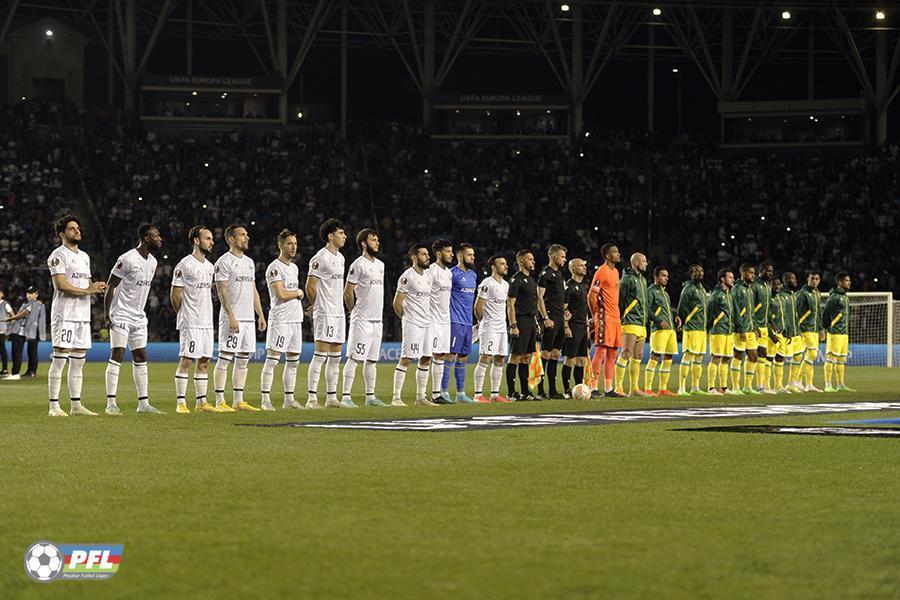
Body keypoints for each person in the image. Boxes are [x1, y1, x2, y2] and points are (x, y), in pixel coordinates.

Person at [46, 214, 107, 416]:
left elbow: (86, 285)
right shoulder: (57, 255)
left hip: (82, 314)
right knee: (60, 359)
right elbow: (60, 284)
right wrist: (87, 291)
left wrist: (95, 287)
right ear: (62, 234)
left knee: (79, 360)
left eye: (78, 227)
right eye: (72, 228)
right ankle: (54, 407)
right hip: (65, 314)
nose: (77, 230)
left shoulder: (84, 256)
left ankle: (76, 406)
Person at [103, 223, 165, 415]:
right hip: (121, 313)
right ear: (146, 238)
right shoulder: (127, 259)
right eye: (157, 236)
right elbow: (110, 286)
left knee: (141, 356)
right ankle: (111, 404)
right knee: (117, 354)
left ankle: (143, 404)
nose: (160, 239)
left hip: (138, 316)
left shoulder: (153, 262)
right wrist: (107, 314)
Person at [213, 224, 266, 412]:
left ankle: (238, 400)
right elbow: (222, 290)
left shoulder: (249, 262)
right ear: (231, 239)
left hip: (248, 319)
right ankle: (220, 401)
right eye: (242, 235)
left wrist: (260, 314)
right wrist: (231, 316)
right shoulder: (224, 261)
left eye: (247, 234)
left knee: (243, 359)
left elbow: (253, 290)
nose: (247, 237)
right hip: (232, 318)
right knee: (225, 358)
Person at [171, 226, 220, 413]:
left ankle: (201, 403)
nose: (212, 242)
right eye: (208, 238)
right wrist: (184, 314)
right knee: (186, 360)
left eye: (211, 238)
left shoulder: (209, 267)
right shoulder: (184, 265)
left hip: (206, 321)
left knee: (204, 361)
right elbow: (175, 294)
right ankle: (181, 403)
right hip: (191, 321)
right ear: (196, 241)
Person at [341, 228, 388, 407]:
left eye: (377, 239)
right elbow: (348, 291)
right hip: (362, 319)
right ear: (364, 243)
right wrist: (353, 311)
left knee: (372, 361)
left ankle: (370, 397)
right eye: (373, 240)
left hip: (377, 319)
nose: (377, 242)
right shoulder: (358, 265)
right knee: (355, 358)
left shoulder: (381, 265)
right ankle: (346, 397)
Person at [260, 229, 306, 411]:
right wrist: (298, 292)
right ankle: (265, 400)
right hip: (280, 320)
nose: (293, 247)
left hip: (295, 319)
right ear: (280, 245)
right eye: (289, 244)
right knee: (272, 360)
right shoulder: (274, 268)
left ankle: (289, 400)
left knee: (293, 361)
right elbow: (281, 294)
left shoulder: (294, 268)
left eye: (295, 243)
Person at [305, 218, 347, 409]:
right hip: (325, 312)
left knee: (336, 357)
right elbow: (310, 286)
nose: (344, 236)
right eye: (341, 233)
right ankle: (312, 399)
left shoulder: (341, 258)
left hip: (338, 312)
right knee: (320, 355)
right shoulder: (320, 258)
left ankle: (331, 398)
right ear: (331, 236)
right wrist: (317, 306)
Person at [392, 244, 436, 406]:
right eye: (424, 254)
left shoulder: (428, 276)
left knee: (426, 358)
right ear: (414, 258)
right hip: (413, 323)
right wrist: (407, 319)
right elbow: (397, 303)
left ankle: (421, 397)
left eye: (427, 254)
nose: (428, 257)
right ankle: (396, 398)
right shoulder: (407, 276)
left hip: (427, 323)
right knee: (406, 358)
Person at [442, 243, 477, 403]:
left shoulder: (473, 275)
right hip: (454, 321)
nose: (473, 257)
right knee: (449, 356)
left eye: (473, 255)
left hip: (468, 322)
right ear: (460, 256)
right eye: (470, 255)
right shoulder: (452, 274)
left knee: (463, 357)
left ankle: (460, 394)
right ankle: (443, 392)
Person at [473, 256, 511, 403]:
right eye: (502, 264)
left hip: (501, 327)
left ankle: (495, 394)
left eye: (505, 263)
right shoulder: (487, 283)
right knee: (485, 357)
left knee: (500, 358)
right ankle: (478, 395)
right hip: (489, 326)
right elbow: (478, 306)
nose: (506, 266)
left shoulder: (506, 285)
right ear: (493, 267)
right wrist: (482, 322)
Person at [588, 243, 622, 397]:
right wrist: (596, 314)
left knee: (613, 353)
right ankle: (593, 387)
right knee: (601, 350)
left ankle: (609, 389)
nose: (618, 254)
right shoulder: (601, 272)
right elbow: (591, 295)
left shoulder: (615, 272)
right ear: (608, 256)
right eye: (615, 252)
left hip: (615, 316)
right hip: (604, 316)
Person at [614, 252, 649, 396]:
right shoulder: (627, 279)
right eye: (644, 261)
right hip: (630, 320)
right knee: (626, 352)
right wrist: (621, 317)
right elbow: (620, 300)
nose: (646, 263)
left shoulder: (643, 280)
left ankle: (634, 388)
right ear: (635, 262)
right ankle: (618, 387)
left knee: (638, 355)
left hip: (641, 322)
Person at [507, 249, 539, 401]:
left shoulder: (531, 280)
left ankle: (526, 392)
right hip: (520, 320)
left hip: (531, 321)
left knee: (526, 358)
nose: (533, 262)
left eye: (533, 259)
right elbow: (510, 304)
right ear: (521, 261)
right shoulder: (516, 279)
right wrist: (513, 325)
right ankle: (511, 393)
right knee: (515, 357)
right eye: (530, 259)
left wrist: (536, 322)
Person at [537, 244, 567, 399]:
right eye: (562, 257)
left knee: (555, 354)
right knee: (546, 353)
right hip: (550, 317)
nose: (564, 259)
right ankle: (540, 391)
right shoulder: (546, 274)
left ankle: (553, 391)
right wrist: (545, 318)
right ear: (554, 257)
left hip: (560, 318)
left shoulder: (559, 274)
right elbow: (539, 297)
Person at [427, 239, 455, 404]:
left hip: (445, 320)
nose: (451, 254)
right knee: (430, 355)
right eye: (448, 251)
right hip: (433, 320)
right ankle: (424, 395)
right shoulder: (432, 271)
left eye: (451, 251)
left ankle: (437, 394)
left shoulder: (449, 273)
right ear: (439, 253)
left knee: (441, 356)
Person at [645, 266, 680, 396]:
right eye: (663, 275)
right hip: (658, 329)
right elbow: (646, 309)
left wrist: (675, 316)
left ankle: (662, 389)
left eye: (667, 276)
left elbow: (666, 310)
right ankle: (648, 389)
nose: (666, 278)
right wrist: (658, 321)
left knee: (668, 357)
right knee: (655, 356)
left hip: (670, 329)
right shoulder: (650, 291)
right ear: (656, 277)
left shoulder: (665, 293)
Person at [676, 264, 708, 395]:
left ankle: (695, 387)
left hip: (701, 327)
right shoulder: (688, 288)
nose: (699, 273)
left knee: (699, 357)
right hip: (692, 326)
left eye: (701, 271)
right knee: (688, 355)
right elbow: (682, 306)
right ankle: (681, 388)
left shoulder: (702, 289)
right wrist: (684, 321)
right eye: (696, 271)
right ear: (691, 274)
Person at [560, 258, 589, 397]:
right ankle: (566, 390)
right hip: (572, 326)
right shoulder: (569, 286)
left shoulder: (583, 286)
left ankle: (579, 388)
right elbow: (563, 309)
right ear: (572, 268)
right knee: (570, 359)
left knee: (581, 360)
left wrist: (587, 326)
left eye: (584, 265)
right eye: (581, 265)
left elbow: (584, 308)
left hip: (582, 327)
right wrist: (566, 327)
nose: (584, 267)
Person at [822, 271, 854, 392]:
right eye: (847, 281)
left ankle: (841, 385)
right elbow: (825, 314)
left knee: (841, 360)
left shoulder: (844, 296)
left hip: (844, 333)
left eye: (849, 280)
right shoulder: (834, 297)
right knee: (831, 358)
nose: (849, 282)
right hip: (835, 332)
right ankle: (828, 385)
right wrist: (825, 329)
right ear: (840, 283)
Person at [731, 264, 760, 395]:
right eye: (750, 273)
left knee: (753, 357)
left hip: (750, 328)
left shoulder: (749, 289)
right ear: (743, 273)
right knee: (738, 356)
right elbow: (735, 311)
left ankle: (747, 386)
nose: (753, 275)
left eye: (753, 273)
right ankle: (735, 387)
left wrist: (755, 327)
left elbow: (751, 311)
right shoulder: (736, 288)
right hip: (740, 329)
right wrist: (741, 329)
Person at [5, 287, 47, 378]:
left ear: (36, 294)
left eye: (31, 293)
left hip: (30, 331)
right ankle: (31, 371)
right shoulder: (37, 305)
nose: (29, 295)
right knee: (31, 352)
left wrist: (8, 319)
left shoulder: (34, 304)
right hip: (30, 331)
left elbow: (22, 315)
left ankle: (19, 372)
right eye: (28, 293)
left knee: (24, 352)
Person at [706, 268, 734, 395]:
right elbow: (709, 313)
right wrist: (710, 328)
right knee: (716, 357)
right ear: (723, 279)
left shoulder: (728, 294)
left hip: (728, 331)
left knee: (726, 358)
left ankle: (723, 387)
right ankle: (711, 388)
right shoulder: (716, 294)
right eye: (730, 277)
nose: (733, 279)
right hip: (718, 330)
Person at [795, 271, 824, 392]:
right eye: (812, 278)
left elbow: (818, 313)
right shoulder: (802, 294)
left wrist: (821, 329)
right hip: (805, 328)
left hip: (814, 329)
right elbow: (796, 312)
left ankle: (809, 384)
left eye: (817, 279)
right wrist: (798, 328)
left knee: (810, 356)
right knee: (812, 354)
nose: (814, 281)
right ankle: (797, 381)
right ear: (808, 279)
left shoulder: (817, 293)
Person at [750, 261, 776, 394]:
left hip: (765, 326)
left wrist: (772, 323)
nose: (770, 273)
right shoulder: (754, 285)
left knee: (763, 355)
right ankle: (748, 386)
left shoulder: (768, 286)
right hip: (755, 326)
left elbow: (767, 309)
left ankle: (761, 385)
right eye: (768, 271)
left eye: (771, 271)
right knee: (752, 356)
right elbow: (750, 306)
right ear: (761, 271)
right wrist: (754, 325)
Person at [780, 271, 806, 393]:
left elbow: (795, 314)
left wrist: (799, 329)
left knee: (798, 356)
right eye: (792, 278)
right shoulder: (781, 295)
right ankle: (776, 385)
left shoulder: (793, 295)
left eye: (795, 278)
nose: (795, 280)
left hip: (795, 332)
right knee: (780, 359)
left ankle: (791, 383)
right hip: (786, 333)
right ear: (786, 280)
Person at [767, 277, 789, 392]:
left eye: (779, 284)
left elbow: (784, 316)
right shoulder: (768, 298)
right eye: (774, 284)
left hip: (781, 332)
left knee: (780, 358)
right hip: (772, 333)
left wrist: (787, 331)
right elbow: (766, 317)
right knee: (769, 358)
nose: (777, 286)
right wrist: (771, 333)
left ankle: (778, 386)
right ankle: (766, 386)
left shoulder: (782, 298)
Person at [0, 289, 12, 376]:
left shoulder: (5, 304)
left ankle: (5, 369)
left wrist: (9, 327)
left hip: (1, 329)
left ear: (2, 294)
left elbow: (13, 315)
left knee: (2, 349)